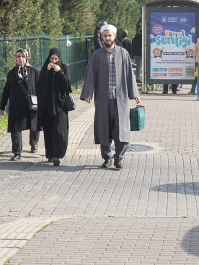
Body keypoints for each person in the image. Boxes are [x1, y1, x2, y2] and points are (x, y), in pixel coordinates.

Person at [81, 24, 141, 169]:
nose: (107, 38)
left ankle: (119, 157)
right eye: (105, 36)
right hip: (103, 98)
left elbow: (129, 75)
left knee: (121, 129)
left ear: (115, 36)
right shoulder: (97, 55)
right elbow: (91, 75)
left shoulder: (123, 53)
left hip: (120, 99)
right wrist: (88, 93)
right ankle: (106, 157)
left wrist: (135, 94)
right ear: (102, 37)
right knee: (104, 128)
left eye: (110, 35)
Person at [0, 49, 40, 161]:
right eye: (18, 56)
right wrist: (2, 106)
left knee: (34, 126)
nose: (20, 58)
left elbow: (41, 89)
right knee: (15, 128)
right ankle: (17, 152)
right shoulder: (12, 73)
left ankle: (34, 144)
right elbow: (6, 90)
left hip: (31, 105)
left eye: (23, 56)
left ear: (27, 58)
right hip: (16, 105)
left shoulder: (34, 72)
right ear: (16, 58)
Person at [37, 48, 71, 166]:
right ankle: (51, 154)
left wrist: (59, 72)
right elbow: (40, 84)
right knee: (49, 130)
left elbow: (67, 85)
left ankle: (58, 154)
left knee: (60, 131)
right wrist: (47, 71)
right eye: (52, 58)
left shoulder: (64, 67)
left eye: (56, 59)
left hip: (60, 105)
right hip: (47, 106)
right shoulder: (44, 68)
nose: (54, 61)